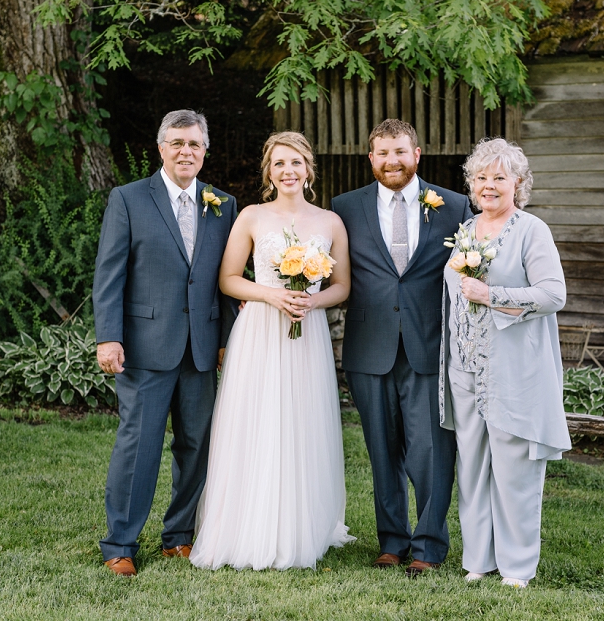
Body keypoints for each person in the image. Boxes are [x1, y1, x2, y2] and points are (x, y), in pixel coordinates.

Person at [190, 131, 353, 570]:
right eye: (279, 164)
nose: (288, 171)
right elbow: (228, 279)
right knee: (256, 419)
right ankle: (248, 524)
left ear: (308, 169)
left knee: (303, 420)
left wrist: (308, 300)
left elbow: (342, 286)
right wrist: (271, 295)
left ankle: (302, 523)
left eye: (296, 163)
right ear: (269, 171)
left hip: (308, 332)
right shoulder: (251, 216)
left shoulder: (330, 222)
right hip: (259, 330)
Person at [92, 110, 237, 576]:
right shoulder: (129, 199)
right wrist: (109, 337)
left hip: (200, 349)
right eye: (176, 143)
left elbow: (224, 280)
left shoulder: (223, 204)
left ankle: (179, 536)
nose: (185, 152)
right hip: (145, 346)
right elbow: (109, 275)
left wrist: (224, 339)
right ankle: (120, 543)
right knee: (139, 445)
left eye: (194, 144)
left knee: (196, 445)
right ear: (161, 149)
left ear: (204, 150)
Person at [332, 119, 470, 576]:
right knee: (381, 449)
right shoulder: (344, 209)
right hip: (369, 345)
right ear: (370, 158)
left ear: (417, 155)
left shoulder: (453, 206)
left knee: (431, 450)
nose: (392, 161)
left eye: (400, 152)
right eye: (382, 153)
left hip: (428, 345)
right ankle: (391, 541)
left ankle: (429, 544)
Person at [439, 138, 570, 588]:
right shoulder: (467, 230)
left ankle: (517, 567)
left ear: (518, 183)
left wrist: (492, 295)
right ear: (471, 185)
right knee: (472, 468)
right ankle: (480, 559)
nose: (489, 185)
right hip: (465, 368)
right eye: (481, 178)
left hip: (513, 371)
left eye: (499, 177)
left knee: (514, 470)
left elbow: (554, 295)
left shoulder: (532, 230)